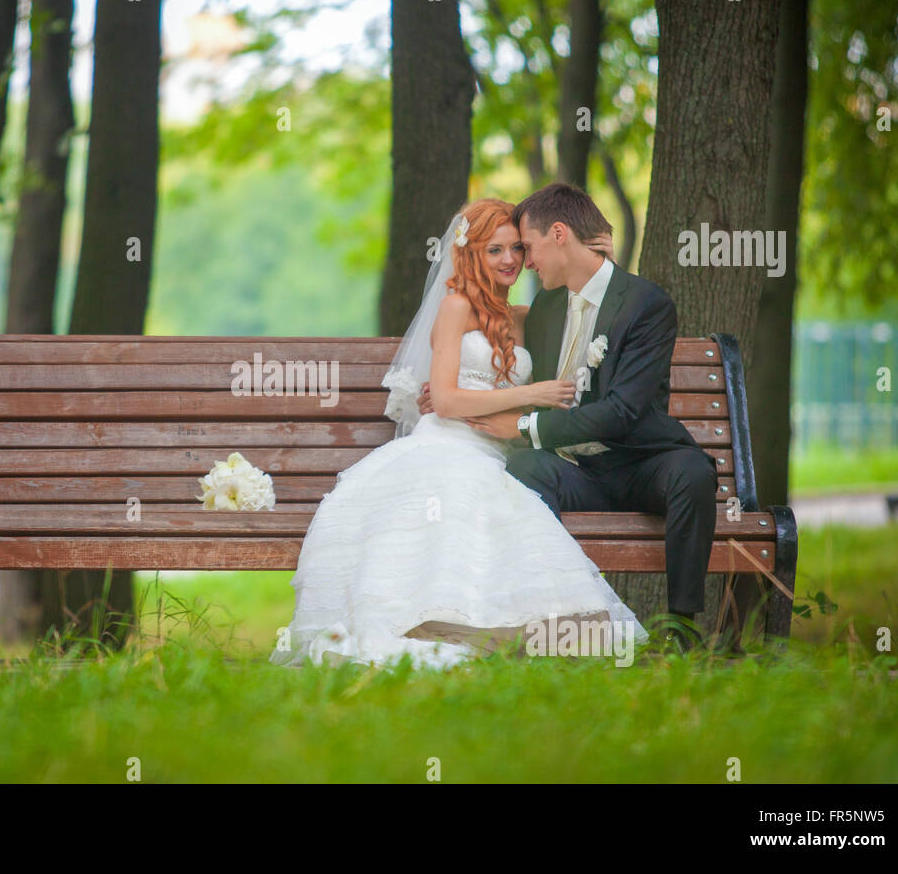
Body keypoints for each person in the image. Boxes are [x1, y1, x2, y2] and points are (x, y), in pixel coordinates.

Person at [269, 198, 648, 670]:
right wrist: (532, 392)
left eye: (516, 249)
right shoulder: (455, 307)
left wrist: (598, 252)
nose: (509, 260)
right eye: (494, 250)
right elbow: (446, 401)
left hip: (497, 455)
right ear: (470, 254)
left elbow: (590, 297)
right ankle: (427, 626)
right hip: (447, 444)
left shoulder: (529, 317)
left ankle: (486, 638)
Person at [425, 183, 718, 651]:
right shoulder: (545, 306)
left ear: (558, 234)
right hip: (574, 469)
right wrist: (455, 388)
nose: (524, 261)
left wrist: (523, 426)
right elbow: (489, 330)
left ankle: (682, 630)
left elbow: (623, 410)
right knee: (522, 469)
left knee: (694, 473)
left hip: (640, 462)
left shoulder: (646, 305)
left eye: (528, 247)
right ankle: (543, 618)